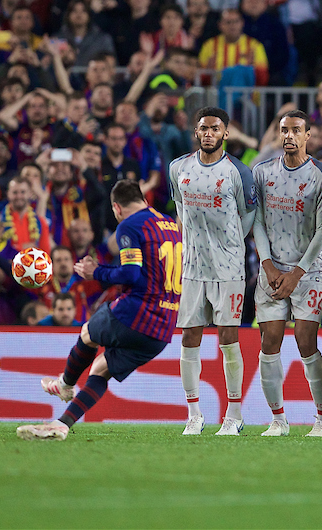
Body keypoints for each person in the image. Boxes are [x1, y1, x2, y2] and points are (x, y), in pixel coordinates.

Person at [15, 180, 181, 440]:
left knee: (87, 334)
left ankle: (64, 384)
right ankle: (62, 424)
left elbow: (130, 274)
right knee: (100, 369)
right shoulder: (170, 224)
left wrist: (96, 272)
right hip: (164, 326)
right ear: (143, 199)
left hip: (137, 312)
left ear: (116, 208)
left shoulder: (130, 225)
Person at [168, 107, 257, 436]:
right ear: (196, 132)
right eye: (203, 128)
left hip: (229, 269)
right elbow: (180, 208)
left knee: (227, 338)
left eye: (215, 129)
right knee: (189, 338)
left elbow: (247, 218)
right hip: (192, 267)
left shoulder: (238, 171)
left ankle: (233, 415)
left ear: (226, 134)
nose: (208, 133)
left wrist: (228, 245)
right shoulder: (178, 168)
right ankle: (194, 414)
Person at [251, 110, 322, 437]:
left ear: (307, 136)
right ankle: (278, 420)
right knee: (269, 340)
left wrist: (297, 273)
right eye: (283, 129)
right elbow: (256, 221)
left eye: (295, 130)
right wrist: (268, 264)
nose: (288, 136)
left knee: (305, 341)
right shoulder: (262, 172)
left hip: (309, 271)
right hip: (271, 268)